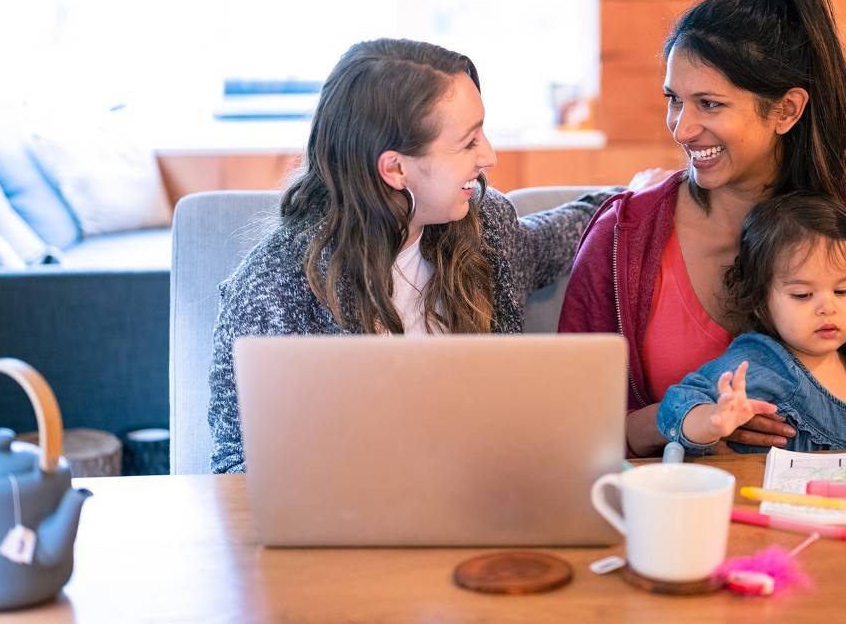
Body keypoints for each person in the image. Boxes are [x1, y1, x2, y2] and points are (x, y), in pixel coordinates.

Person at [558, 0, 846, 457]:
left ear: (786, 109)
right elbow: (573, 427)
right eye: (674, 99)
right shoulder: (621, 238)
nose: (681, 128)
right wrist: (694, 422)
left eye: (709, 104)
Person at [208, 38, 626, 474]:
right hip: (347, 529)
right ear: (395, 169)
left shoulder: (486, 229)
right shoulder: (273, 288)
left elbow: (558, 236)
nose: (489, 155)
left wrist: (638, 196)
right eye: (468, 143)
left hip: (484, 508)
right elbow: (235, 465)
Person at [658, 192, 846, 454]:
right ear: (762, 301)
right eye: (803, 294)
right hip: (772, 510)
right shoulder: (753, 365)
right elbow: (677, 402)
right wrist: (712, 419)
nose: (827, 307)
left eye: (843, 291)